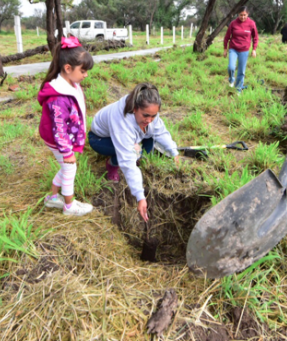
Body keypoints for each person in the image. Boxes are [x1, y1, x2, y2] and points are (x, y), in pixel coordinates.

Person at [88, 83, 180, 222]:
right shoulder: (121, 121)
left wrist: (174, 152)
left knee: (150, 141)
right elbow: (127, 161)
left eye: (154, 116)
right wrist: (140, 196)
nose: (149, 120)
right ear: (135, 108)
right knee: (131, 154)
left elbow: (160, 131)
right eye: (146, 115)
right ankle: (112, 163)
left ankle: (138, 155)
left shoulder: (148, 115)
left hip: (129, 135)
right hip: (100, 139)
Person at [37, 36, 95, 216]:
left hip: (64, 137)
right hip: (59, 139)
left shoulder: (71, 84)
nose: (86, 75)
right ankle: (69, 206)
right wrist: (67, 151)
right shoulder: (58, 97)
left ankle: (53, 198)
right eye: (83, 71)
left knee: (66, 167)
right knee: (70, 167)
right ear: (68, 68)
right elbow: (59, 127)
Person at [223, 6, 259, 95]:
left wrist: (254, 49)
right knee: (231, 67)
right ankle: (231, 80)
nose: (242, 17)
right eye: (241, 15)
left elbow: (255, 37)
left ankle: (238, 89)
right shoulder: (233, 23)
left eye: (244, 15)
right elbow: (227, 37)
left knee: (241, 71)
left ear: (248, 14)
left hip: (244, 50)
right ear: (238, 14)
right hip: (233, 49)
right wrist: (225, 49)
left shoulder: (251, 23)